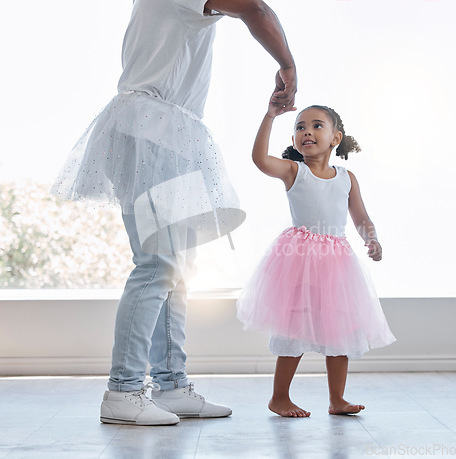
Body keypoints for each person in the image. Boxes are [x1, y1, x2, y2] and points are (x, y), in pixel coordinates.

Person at [51, 0, 296, 426]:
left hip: (168, 132)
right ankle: (123, 391)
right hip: (150, 129)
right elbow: (255, 8)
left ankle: (171, 385)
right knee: (157, 265)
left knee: (178, 269)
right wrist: (288, 67)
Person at [236, 100, 396, 418]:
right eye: (300, 127)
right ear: (295, 140)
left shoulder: (347, 178)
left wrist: (372, 238)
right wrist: (270, 116)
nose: (306, 131)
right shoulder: (295, 171)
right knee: (293, 328)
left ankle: (337, 399)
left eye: (316, 125)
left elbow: (360, 216)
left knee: (340, 329)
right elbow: (259, 159)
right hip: (298, 259)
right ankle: (279, 396)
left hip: (337, 263)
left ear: (336, 138)